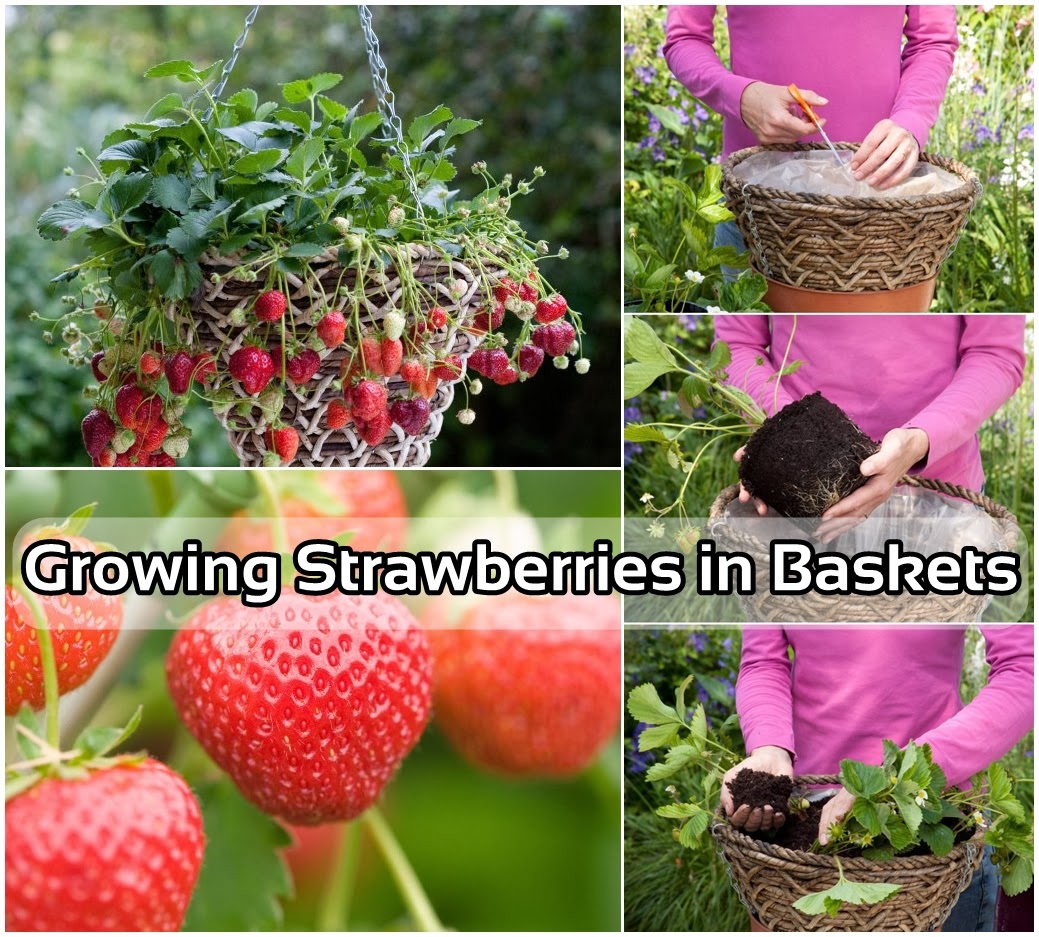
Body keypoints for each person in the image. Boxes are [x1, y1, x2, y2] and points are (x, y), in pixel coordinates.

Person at [720, 624, 1033, 931]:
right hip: (802, 820)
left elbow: (1024, 668)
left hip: (931, 817)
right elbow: (764, 661)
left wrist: (903, 772)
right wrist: (770, 747)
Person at [714, 314, 1025, 541]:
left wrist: (919, 440)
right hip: (803, 491)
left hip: (938, 495)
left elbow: (994, 354)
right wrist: (788, 436)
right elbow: (736, 346)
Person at [663, 6, 959, 190]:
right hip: (755, 193)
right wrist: (740, 98)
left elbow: (931, 41)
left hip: (881, 190)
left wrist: (911, 119)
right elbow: (685, 37)